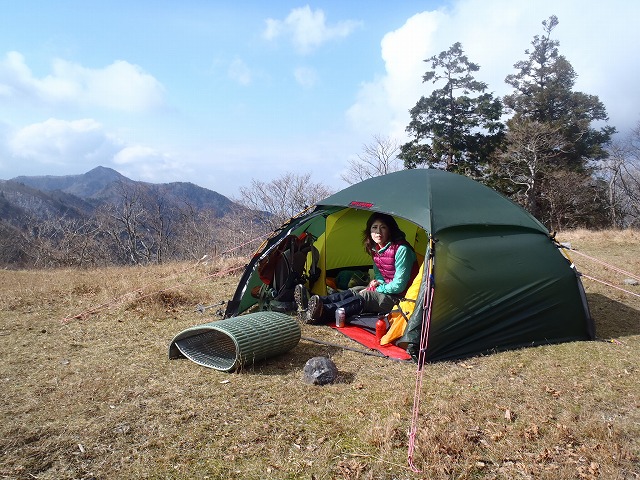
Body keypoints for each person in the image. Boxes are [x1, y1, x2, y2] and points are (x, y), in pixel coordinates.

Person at [296, 212, 419, 324]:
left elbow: (399, 285)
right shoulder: (376, 249)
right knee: (356, 289)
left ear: (390, 230)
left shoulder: (402, 250)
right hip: (389, 291)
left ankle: (323, 311)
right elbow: (380, 275)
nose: (378, 232)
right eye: (374, 227)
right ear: (369, 231)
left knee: (366, 296)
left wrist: (377, 289)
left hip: (403, 299)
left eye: (383, 227)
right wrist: (377, 283)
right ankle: (316, 303)